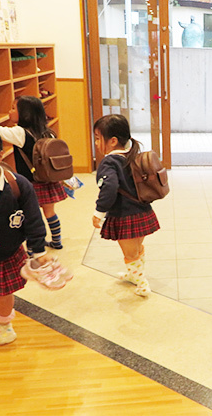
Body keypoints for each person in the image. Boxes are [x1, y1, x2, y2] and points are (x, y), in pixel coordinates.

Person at [0, 128, 63, 345]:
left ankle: (4, 324)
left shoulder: (18, 185)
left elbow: (33, 220)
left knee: (4, 294)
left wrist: (39, 252)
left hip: (8, 252)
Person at [92, 114, 160, 297]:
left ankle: (142, 283)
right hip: (142, 212)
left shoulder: (109, 162)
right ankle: (134, 276)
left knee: (130, 254)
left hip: (124, 215)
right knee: (137, 249)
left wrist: (99, 212)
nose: (97, 143)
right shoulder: (131, 156)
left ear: (113, 141)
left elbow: (109, 187)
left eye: (98, 139)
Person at [0, 96, 68, 250]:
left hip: (31, 182)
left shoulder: (21, 133)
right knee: (50, 212)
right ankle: (56, 241)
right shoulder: (48, 132)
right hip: (48, 179)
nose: (9, 111)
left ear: (25, 114)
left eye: (13, 108)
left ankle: (33, 248)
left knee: (29, 215)